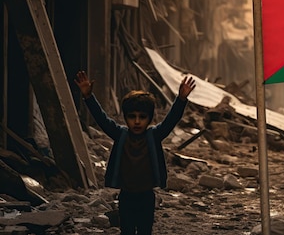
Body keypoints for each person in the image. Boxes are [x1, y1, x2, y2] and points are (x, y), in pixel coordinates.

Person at [74, 70, 196, 235]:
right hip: (126, 197)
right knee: (127, 231)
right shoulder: (120, 134)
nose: (137, 121)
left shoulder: (154, 135)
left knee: (145, 231)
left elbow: (171, 120)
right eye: (132, 117)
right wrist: (88, 97)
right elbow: (102, 119)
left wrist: (181, 99)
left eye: (142, 117)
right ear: (125, 117)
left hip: (147, 197)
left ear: (150, 118)